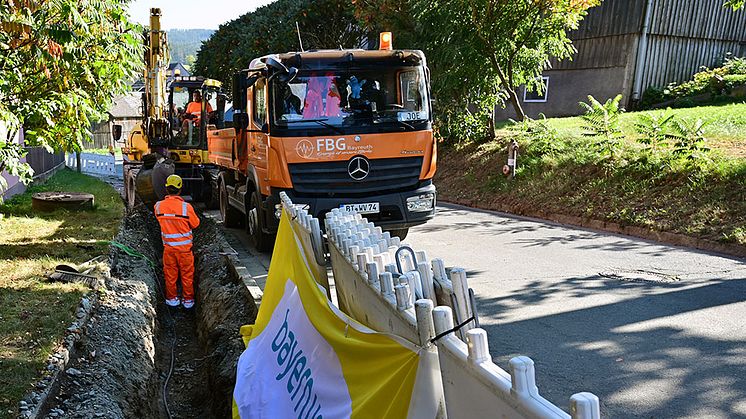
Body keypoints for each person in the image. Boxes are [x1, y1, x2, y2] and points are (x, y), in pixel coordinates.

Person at [154, 174, 200, 308]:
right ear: (180, 189)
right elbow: (196, 224)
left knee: (170, 275)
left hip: (168, 250)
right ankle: (188, 301)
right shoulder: (186, 207)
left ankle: (172, 299)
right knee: (187, 276)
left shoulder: (158, 207)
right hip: (185, 251)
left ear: (166, 188)